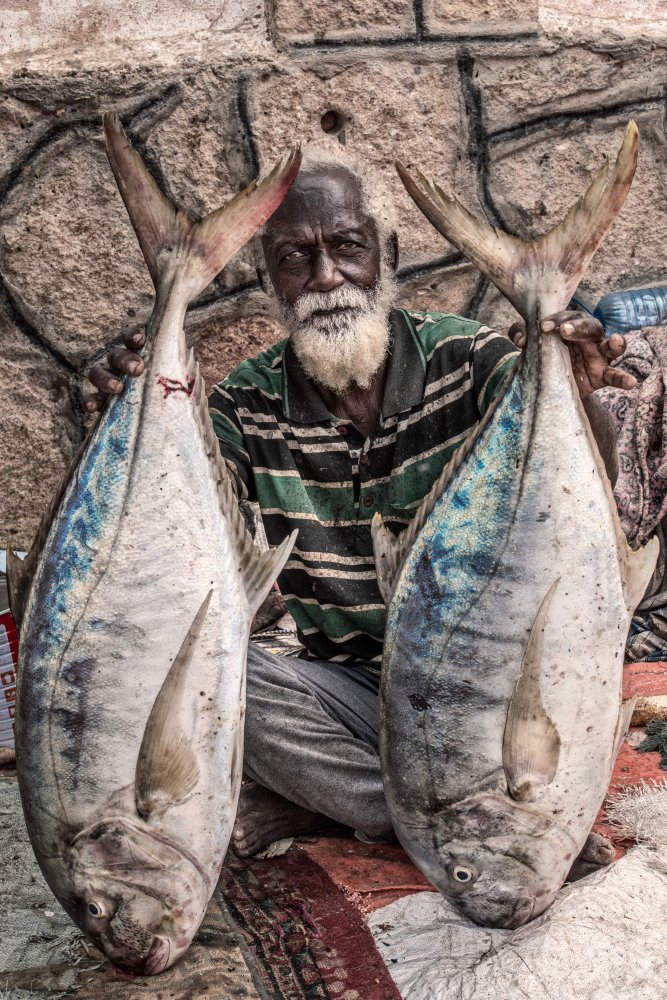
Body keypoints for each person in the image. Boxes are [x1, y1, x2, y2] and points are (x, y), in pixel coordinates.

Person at [86, 146, 636, 857]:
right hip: (347, 692)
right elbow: (170, 529)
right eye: (295, 258)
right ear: (267, 279)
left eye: (347, 247)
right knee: (218, 683)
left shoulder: (469, 359)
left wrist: (583, 396)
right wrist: (114, 421)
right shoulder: (242, 408)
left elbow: (575, 493)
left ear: (388, 253)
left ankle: (329, 805)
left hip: (486, 687)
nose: (325, 277)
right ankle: (450, 824)